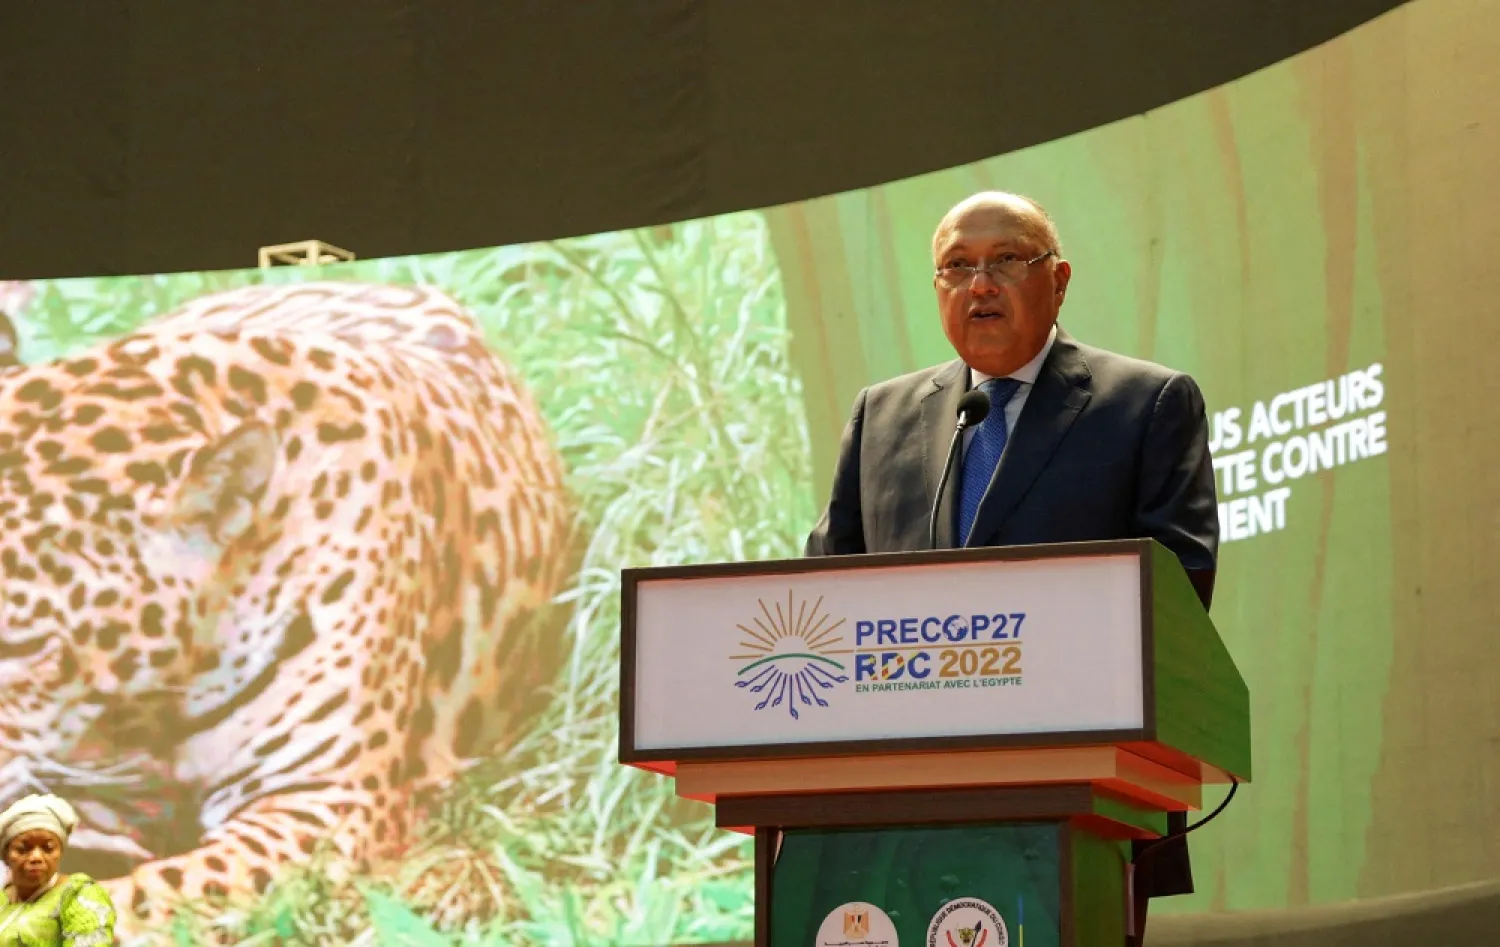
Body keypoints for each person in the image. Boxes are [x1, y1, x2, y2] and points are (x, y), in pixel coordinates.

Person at [803, 191, 1218, 944]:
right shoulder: (881, 416)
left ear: (1057, 280)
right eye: (957, 267)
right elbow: (826, 589)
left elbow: (1178, 589)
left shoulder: (1145, 403)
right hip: (896, 801)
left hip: (1082, 795)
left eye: (1005, 261)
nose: (980, 284)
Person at [0, 794, 117, 946]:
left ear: (60, 852)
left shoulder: (77, 894)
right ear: (5, 855)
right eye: (23, 849)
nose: (36, 857)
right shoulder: (3, 899)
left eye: (48, 848)